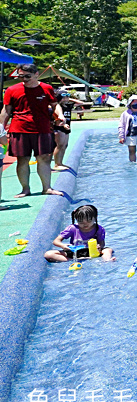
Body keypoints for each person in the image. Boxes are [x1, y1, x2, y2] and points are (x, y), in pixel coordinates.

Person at [0, 64, 64, 197]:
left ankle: (47, 188)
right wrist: (1, 128)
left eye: (27, 76)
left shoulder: (46, 88)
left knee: (44, 158)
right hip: (19, 129)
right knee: (22, 159)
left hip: (42, 128)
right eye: (21, 76)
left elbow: (54, 104)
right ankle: (25, 189)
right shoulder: (12, 90)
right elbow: (6, 111)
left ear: (36, 74)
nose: (24, 79)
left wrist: (60, 115)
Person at [44, 204, 113, 262]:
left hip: (92, 251)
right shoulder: (72, 228)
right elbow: (56, 241)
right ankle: (70, 260)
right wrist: (63, 246)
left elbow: (102, 242)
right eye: (81, 222)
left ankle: (107, 260)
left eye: (88, 221)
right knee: (48, 254)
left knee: (108, 250)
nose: (85, 224)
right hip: (75, 252)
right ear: (76, 219)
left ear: (95, 217)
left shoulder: (99, 229)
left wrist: (100, 246)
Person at [52, 90, 75, 171]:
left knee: (65, 146)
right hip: (60, 127)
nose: (66, 99)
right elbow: (57, 118)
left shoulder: (67, 106)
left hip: (67, 127)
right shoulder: (57, 107)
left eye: (67, 97)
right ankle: (56, 164)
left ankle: (60, 163)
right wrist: (64, 124)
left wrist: (68, 98)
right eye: (64, 98)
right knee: (59, 145)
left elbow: (80, 102)